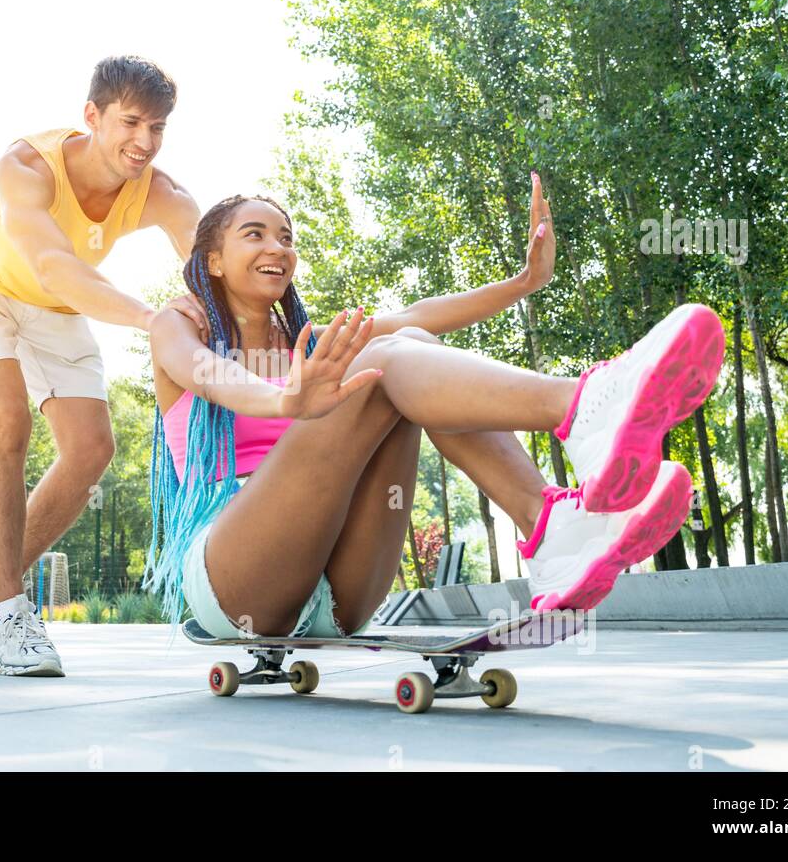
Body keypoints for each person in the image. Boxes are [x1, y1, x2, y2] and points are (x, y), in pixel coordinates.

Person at [144, 175, 725, 639]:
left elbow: (418, 317)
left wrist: (524, 282)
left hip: (339, 593)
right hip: (234, 579)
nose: (277, 248)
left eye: (286, 237)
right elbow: (211, 377)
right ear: (214, 259)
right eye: (255, 234)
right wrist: (287, 398)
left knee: (405, 351)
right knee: (382, 364)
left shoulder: (311, 345)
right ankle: (581, 406)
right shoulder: (181, 323)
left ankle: (549, 530)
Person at [0, 56, 208, 675]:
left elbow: (211, 264)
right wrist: (150, 317)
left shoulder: (160, 193)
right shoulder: (26, 166)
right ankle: (8, 611)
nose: (144, 141)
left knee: (92, 449)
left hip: (54, 303)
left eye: (157, 127)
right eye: (130, 122)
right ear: (92, 116)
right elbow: (54, 265)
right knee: (8, 421)